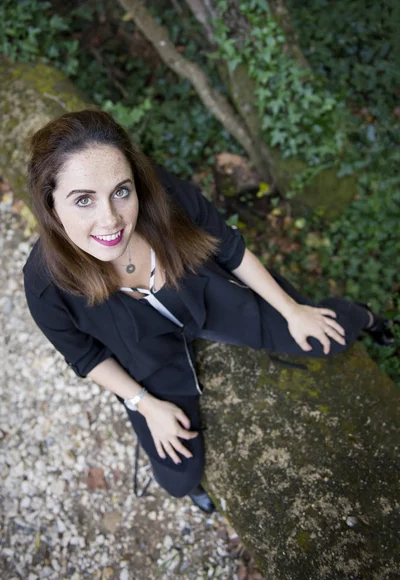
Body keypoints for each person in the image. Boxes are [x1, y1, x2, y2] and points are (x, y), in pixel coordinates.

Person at [23, 109, 394, 514]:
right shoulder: (44, 285)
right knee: (178, 479)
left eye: (121, 191)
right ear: (50, 204)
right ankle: (191, 482)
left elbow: (229, 248)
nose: (110, 219)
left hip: (209, 299)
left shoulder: (163, 194)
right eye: (83, 200)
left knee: (328, 337)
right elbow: (86, 356)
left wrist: (291, 310)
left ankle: (368, 318)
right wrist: (146, 404)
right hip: (146, 356)